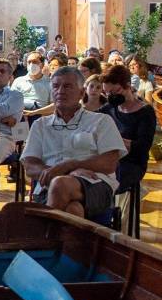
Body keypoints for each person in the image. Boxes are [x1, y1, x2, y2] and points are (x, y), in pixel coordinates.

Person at [21, 66, 127, 218]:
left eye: (67, 86)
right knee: (73, 209)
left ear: (82, 93)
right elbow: (30, 166)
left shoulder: (101, 121)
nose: (60, 91)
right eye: (55, 86)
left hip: (95, 185)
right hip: (47, 188)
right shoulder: (41, 125)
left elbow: (110, 163)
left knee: (60, 184)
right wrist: (66, 172)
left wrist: (71, 165)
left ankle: (43, 232)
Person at [99, 65, 156, 191]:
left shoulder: (145, 112)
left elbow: (142, 147)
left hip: (131, 163)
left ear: (128, 85)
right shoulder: (108, 109)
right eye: (107, 93)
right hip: (108, 159)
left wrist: (115, 140)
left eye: (115, 92)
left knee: (104, 183)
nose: (111, 96)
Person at [13, 51, 52, 118]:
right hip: (20, 117)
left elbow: (54, 106)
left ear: (42, 65)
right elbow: (11, 102)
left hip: (41, 118)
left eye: (35, 62)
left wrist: (35, 113)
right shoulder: (18, 81)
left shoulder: (50, 82)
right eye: (29, 62)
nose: (31, 64)